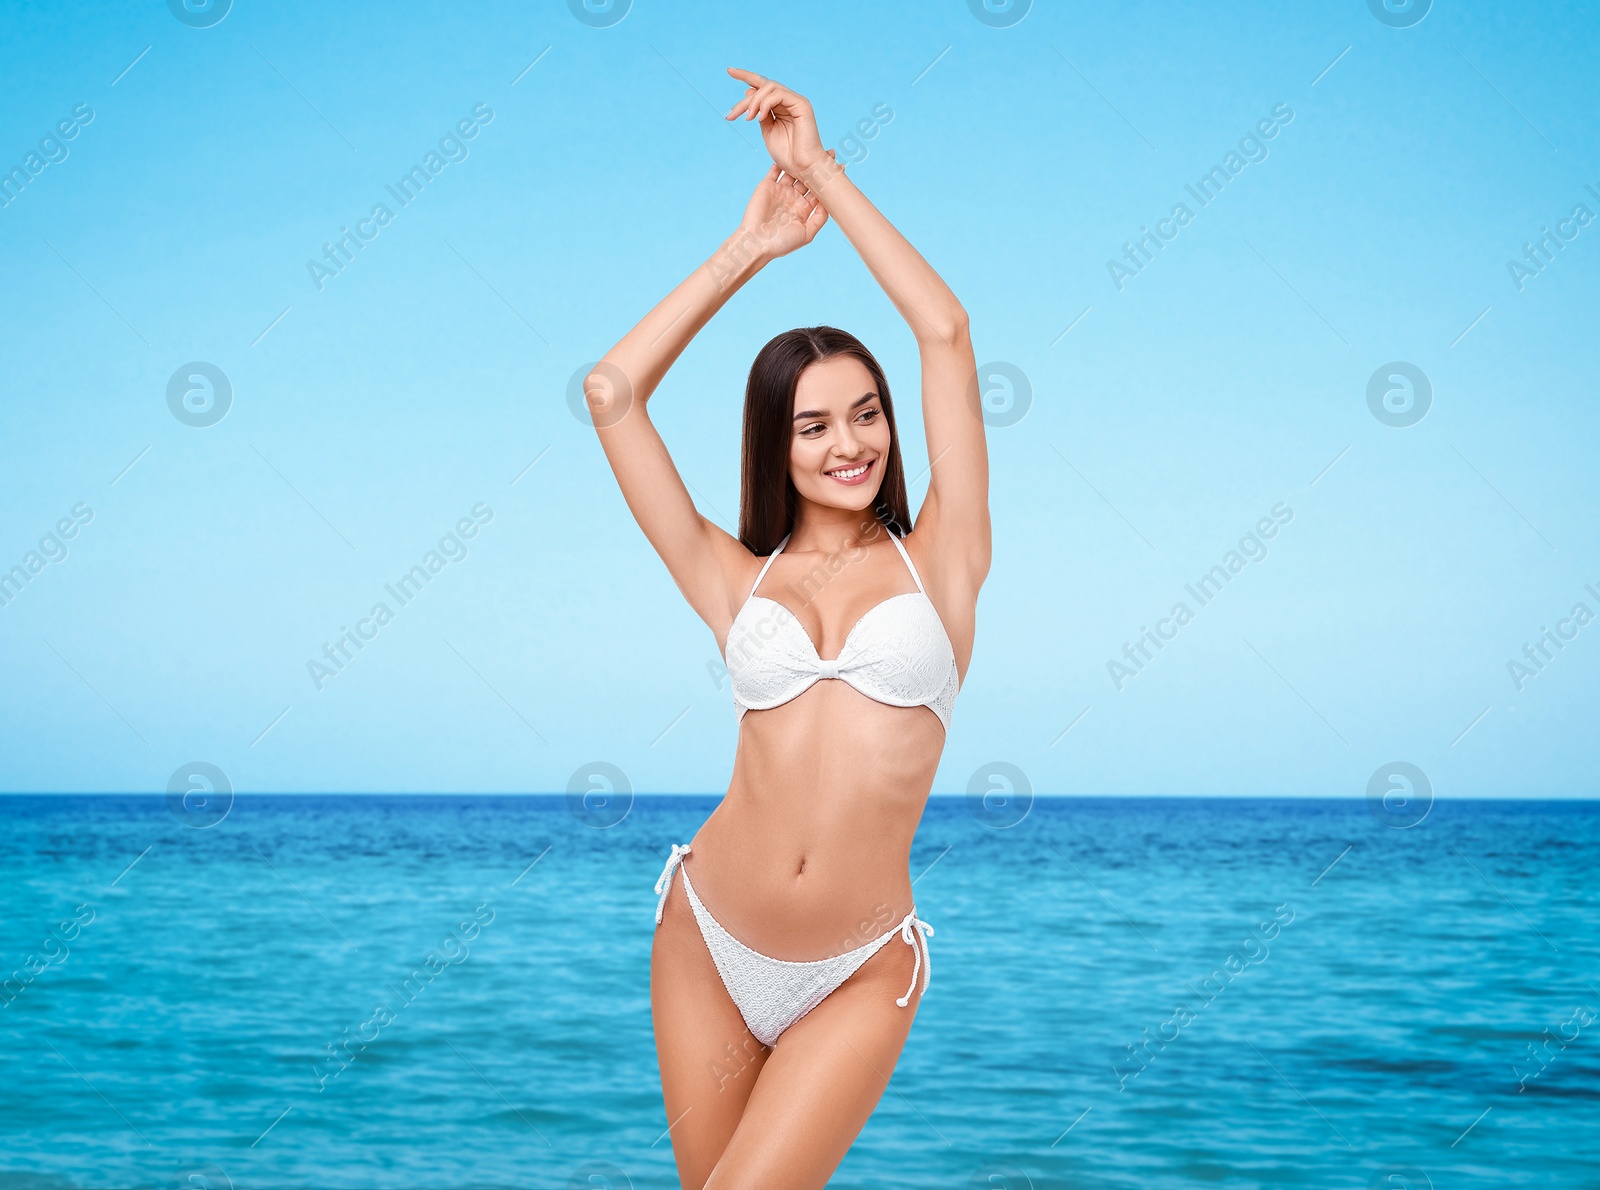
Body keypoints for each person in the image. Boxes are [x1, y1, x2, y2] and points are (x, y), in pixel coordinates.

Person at [584, 67, 990, 1189]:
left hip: (861, 964)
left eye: (865, 413)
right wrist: (748, 250)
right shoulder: (734, 579)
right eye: (813, 424)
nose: (847, 442)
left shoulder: (943, 559)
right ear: (779, 443)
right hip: (706, 934)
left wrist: (819, 171)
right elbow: (613, 394)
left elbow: (945, 329)